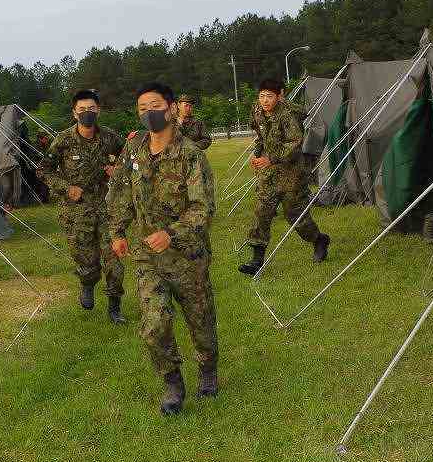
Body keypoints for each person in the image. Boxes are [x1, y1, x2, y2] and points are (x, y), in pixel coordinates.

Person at [110, 82, 219, 416]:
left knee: (200, 323)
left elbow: (203, 208)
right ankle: (172, 383)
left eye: (154, 106)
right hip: (148, 258)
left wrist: (172, 233)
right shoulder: (133, 150)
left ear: (171, 109)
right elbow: (120, 191)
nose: (148, 113)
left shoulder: (190, 154)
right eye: (142, 108)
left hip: (188, 257)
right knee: (155, 325)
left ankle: (207, 368)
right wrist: (117, 231)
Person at [43, 89, 127, 323]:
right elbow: (44, 170)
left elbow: (130, 161)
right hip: (76, 212)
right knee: (87, 261)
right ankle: (87, 283)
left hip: (107, 208)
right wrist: (66, 187)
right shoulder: (63, 140)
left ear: (98, 110)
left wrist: (118, 171)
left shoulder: (111, 138)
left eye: (91, 109)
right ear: (74, 113)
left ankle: (114, 308)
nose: (87, 113)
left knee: (114, 261)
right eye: (82, 110)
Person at [238, 78, 329, 276]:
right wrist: (257, 153)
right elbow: (261, 136)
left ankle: (318, 239)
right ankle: (257, 260)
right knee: (262, 211)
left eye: (269, 96)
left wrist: (271, 158)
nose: (264, 100)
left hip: (292, 173)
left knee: (294, 215)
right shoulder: (257, 111)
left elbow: (295, 145)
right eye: (261, 96)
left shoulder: (288, 116)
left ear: (279, 96)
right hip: (269, 172)